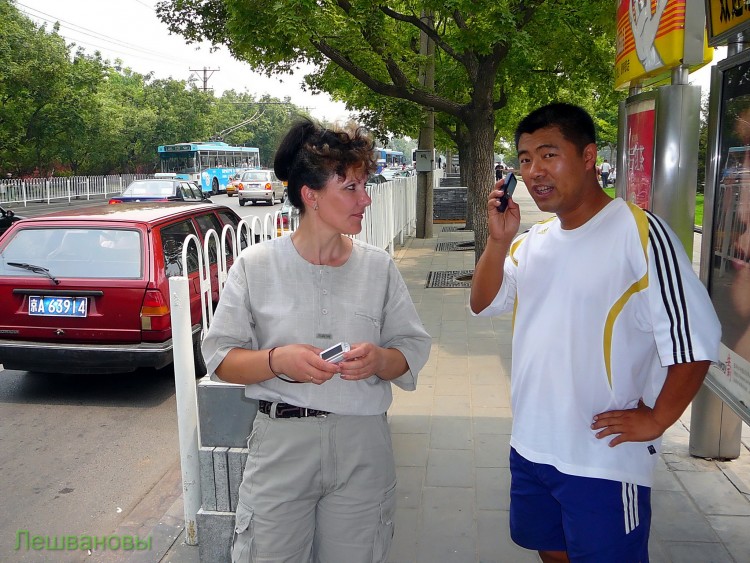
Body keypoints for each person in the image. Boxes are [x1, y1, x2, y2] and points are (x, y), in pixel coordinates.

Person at [469, 103, 720, 562]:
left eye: (549, 154)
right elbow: (483, 303)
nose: (534, 171)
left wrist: (658, 418)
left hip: (602, 458)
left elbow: (695, 340)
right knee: (551, 553)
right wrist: (498, 241)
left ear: (588, 157)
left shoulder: (639, 234)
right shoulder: (532, 242)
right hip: (532, 445)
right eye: (525, 159)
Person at [201, 117, 431, 563]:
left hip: (362, 444)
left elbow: (412, 349)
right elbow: (219, 357)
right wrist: (276, 359)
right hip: (282, 444)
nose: (365, 199)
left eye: (365, 185)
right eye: (351, 188)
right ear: (310, 195)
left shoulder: (377, 267)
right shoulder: (255, 264)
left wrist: (380, 360)